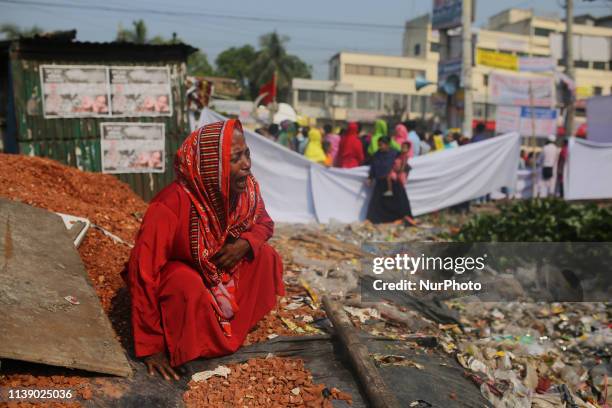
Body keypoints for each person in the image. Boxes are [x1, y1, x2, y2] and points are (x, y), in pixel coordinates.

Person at [123, 119, 285, 380]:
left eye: (247, 154)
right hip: (188, 278)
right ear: (212, 168)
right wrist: (151, 347)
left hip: (219, 273)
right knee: (183, 282)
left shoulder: (245, 191)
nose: (247, 165)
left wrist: (245, 244)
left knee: (265, 256)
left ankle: (230, 328)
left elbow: (264, 223)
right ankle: (195, 339)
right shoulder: (169, 205)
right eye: (235, 158)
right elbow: (143, 273)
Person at [366, 137, 416, 226]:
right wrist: (370, 177)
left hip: (394, 182)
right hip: (381, 181)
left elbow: (403, 162)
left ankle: (403, 219)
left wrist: (401, 173)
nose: (380, 147)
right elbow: (373, 166)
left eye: (381, 145)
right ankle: (377, 221)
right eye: (379, 145)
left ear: (387, 145)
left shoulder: (394, 153)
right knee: (377, 202)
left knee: (399, 202)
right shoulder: (377, 155)